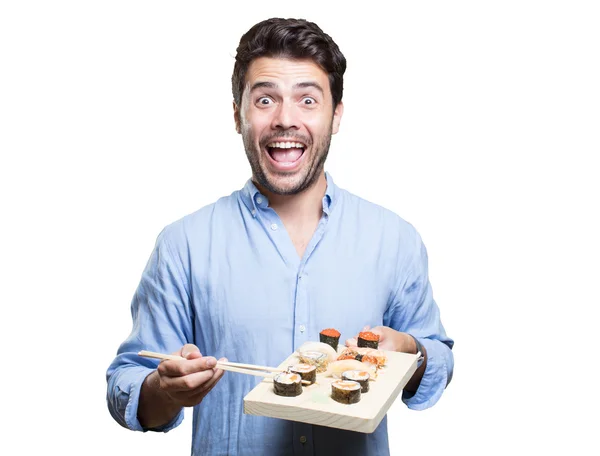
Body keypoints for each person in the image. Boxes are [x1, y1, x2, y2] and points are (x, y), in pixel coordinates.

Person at [106, 17, 454, 456]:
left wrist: (411, 353)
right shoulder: (184, 245)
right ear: (238, 115)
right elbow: (127, 383)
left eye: (308, 100)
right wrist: (164, 390)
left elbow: (438, 364)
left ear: (336, 115)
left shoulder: (395, 239)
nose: (285, 119)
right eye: (265, 99)